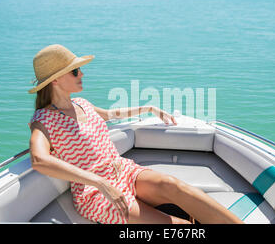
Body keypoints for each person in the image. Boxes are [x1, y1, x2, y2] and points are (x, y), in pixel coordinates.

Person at [28, 44, 244, 224]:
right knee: (181, 227)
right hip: (95, 193)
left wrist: (148, 108)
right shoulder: (44, 120)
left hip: (124, 172)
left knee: (175, 186)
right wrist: (100, 183)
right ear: (55, 80)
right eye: (75, 71)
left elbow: (111, 114)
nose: (81, 74)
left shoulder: (82, 104)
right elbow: (39, 160)